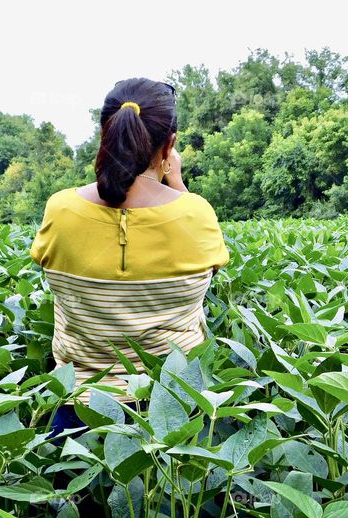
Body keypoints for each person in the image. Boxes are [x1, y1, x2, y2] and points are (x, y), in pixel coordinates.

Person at [30, 77, 230, 440]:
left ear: (106, 134)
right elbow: (210, 270)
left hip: (79, 408)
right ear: (169, 144)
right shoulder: (196, 213)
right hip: (174, 408)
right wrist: (176, 181)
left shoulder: (60, 209)